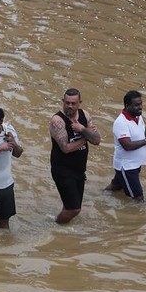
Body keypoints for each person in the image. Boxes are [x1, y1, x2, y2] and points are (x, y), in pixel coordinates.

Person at [49, 88, 101, 224]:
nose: (70, 106)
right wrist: (86, 136)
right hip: (62, 170)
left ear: (79, 103)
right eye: (67, 103)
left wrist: (82, 129)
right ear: (63, 102)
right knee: (74, 209)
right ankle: (56, 228)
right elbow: (66, 148)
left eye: (73, 103)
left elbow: (97, 140)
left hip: (79, 169)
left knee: (71, 205)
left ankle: (62, 224)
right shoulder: (57, 121)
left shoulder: (85, 114)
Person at [105, 90, 146, 202]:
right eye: (137, 105)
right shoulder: (121, 122)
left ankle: (98, 196)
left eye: (141, 104)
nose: (140, 107)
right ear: (127, 105)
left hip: (135, 164)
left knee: (116, 187)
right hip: (127, 167)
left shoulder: (138, 116)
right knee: (138, 198)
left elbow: (144, 130)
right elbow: (127, 145)